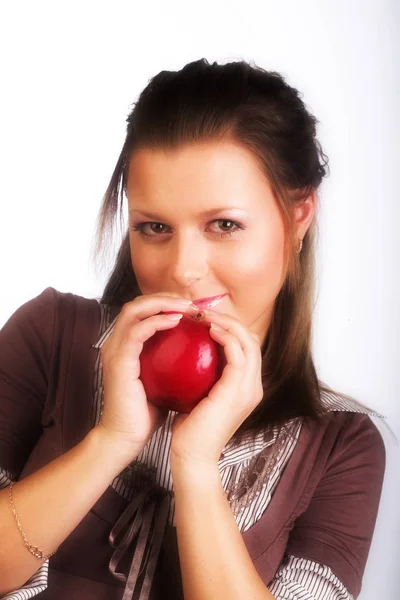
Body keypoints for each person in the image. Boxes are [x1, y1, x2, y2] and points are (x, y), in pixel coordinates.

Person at [0, 58, 388, 600]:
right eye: (154, 227)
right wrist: (111, 441)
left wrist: (197, 466)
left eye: (224, 225)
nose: (183, 269)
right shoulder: (51, 335)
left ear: (298, 218)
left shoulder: (341, 445)